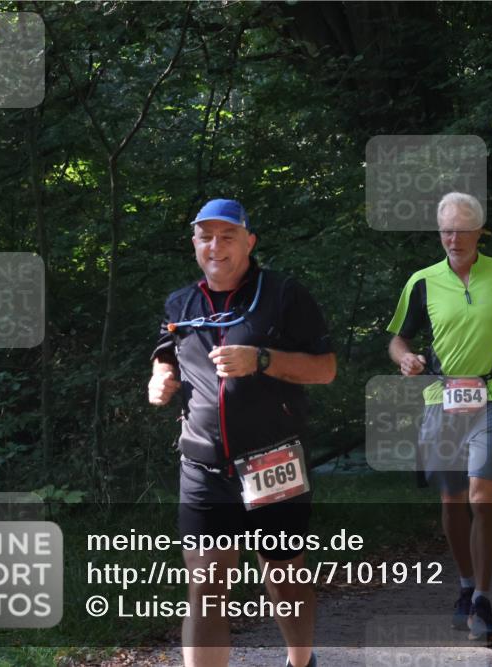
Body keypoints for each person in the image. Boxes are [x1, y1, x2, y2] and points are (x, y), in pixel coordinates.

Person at [149, 198, 336, 667]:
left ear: (249, 241)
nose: (216, 246)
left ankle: (300, 661)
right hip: (203, 464)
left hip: (273, 461)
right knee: (206, 585)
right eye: (205, 236)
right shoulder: (180, 303)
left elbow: (327, 369)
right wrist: (159, 376)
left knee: (283, 575)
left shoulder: (284, 295)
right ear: (194, 243)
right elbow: (166, 351)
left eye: (227, 236)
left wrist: (264, 360)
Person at [386, 192, 492, 643]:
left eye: (461, 229)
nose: (453, 239)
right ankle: (465, 584)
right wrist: (406, 359)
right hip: (441, 397)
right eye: (445, 230)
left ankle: (483, 601)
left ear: (479, 232)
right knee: (453, 500)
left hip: (491, 393)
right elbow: (398, 338)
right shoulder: (422, 280)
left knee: (481, 495)